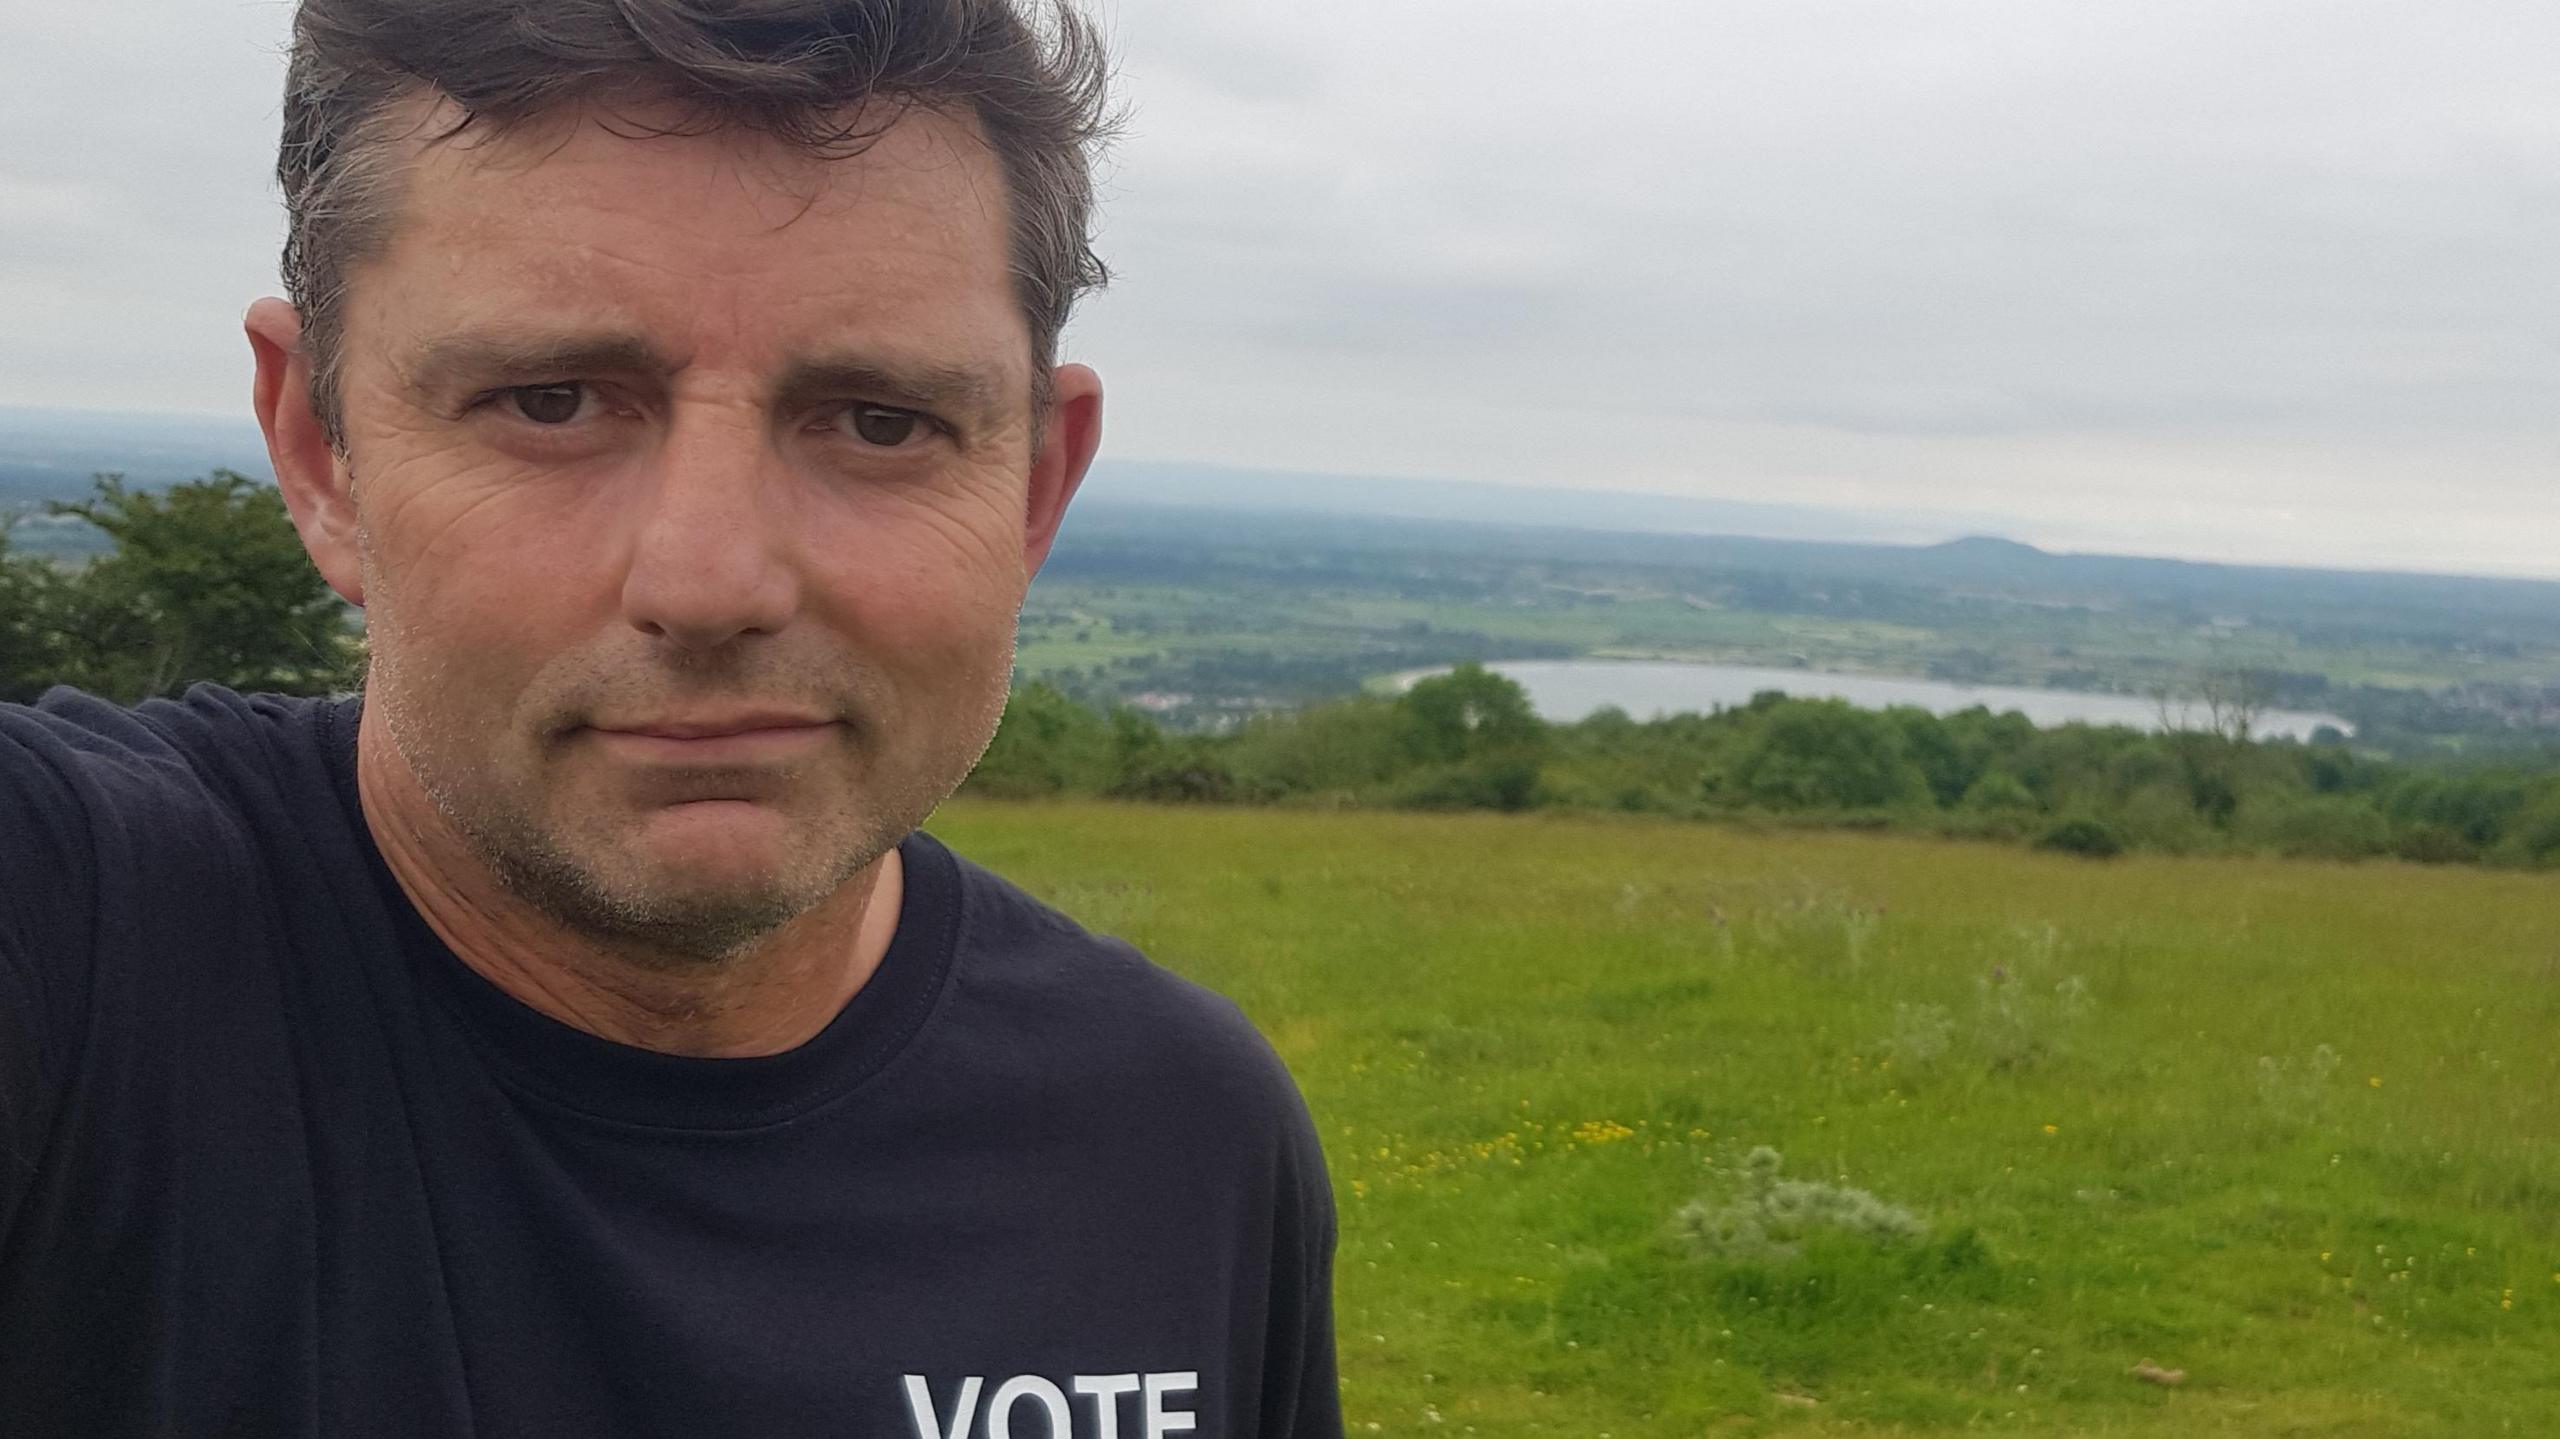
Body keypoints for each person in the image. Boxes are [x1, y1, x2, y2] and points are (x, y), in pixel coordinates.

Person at [0, 2, 1341, 1434]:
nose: (712, 582)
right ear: (320, 452)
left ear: (1030, 489)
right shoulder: (77, 953)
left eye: (879, 420)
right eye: (554, 400)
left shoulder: (1178, 1143)